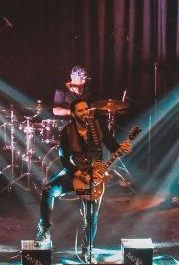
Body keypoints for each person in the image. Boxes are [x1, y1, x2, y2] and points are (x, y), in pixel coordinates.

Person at [37, 98, 132, 255]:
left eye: (86, 109)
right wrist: (79, 174)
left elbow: (113, 147)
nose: (84, 113)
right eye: (80, 110)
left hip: (94, 176)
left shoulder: (98, 126)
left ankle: (87, 249)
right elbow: (64, 159)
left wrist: (124, 148)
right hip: (74, 172)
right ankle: (44, 230)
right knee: (49, 190)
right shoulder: (67, 131)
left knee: (91, 214)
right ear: (73, 114)